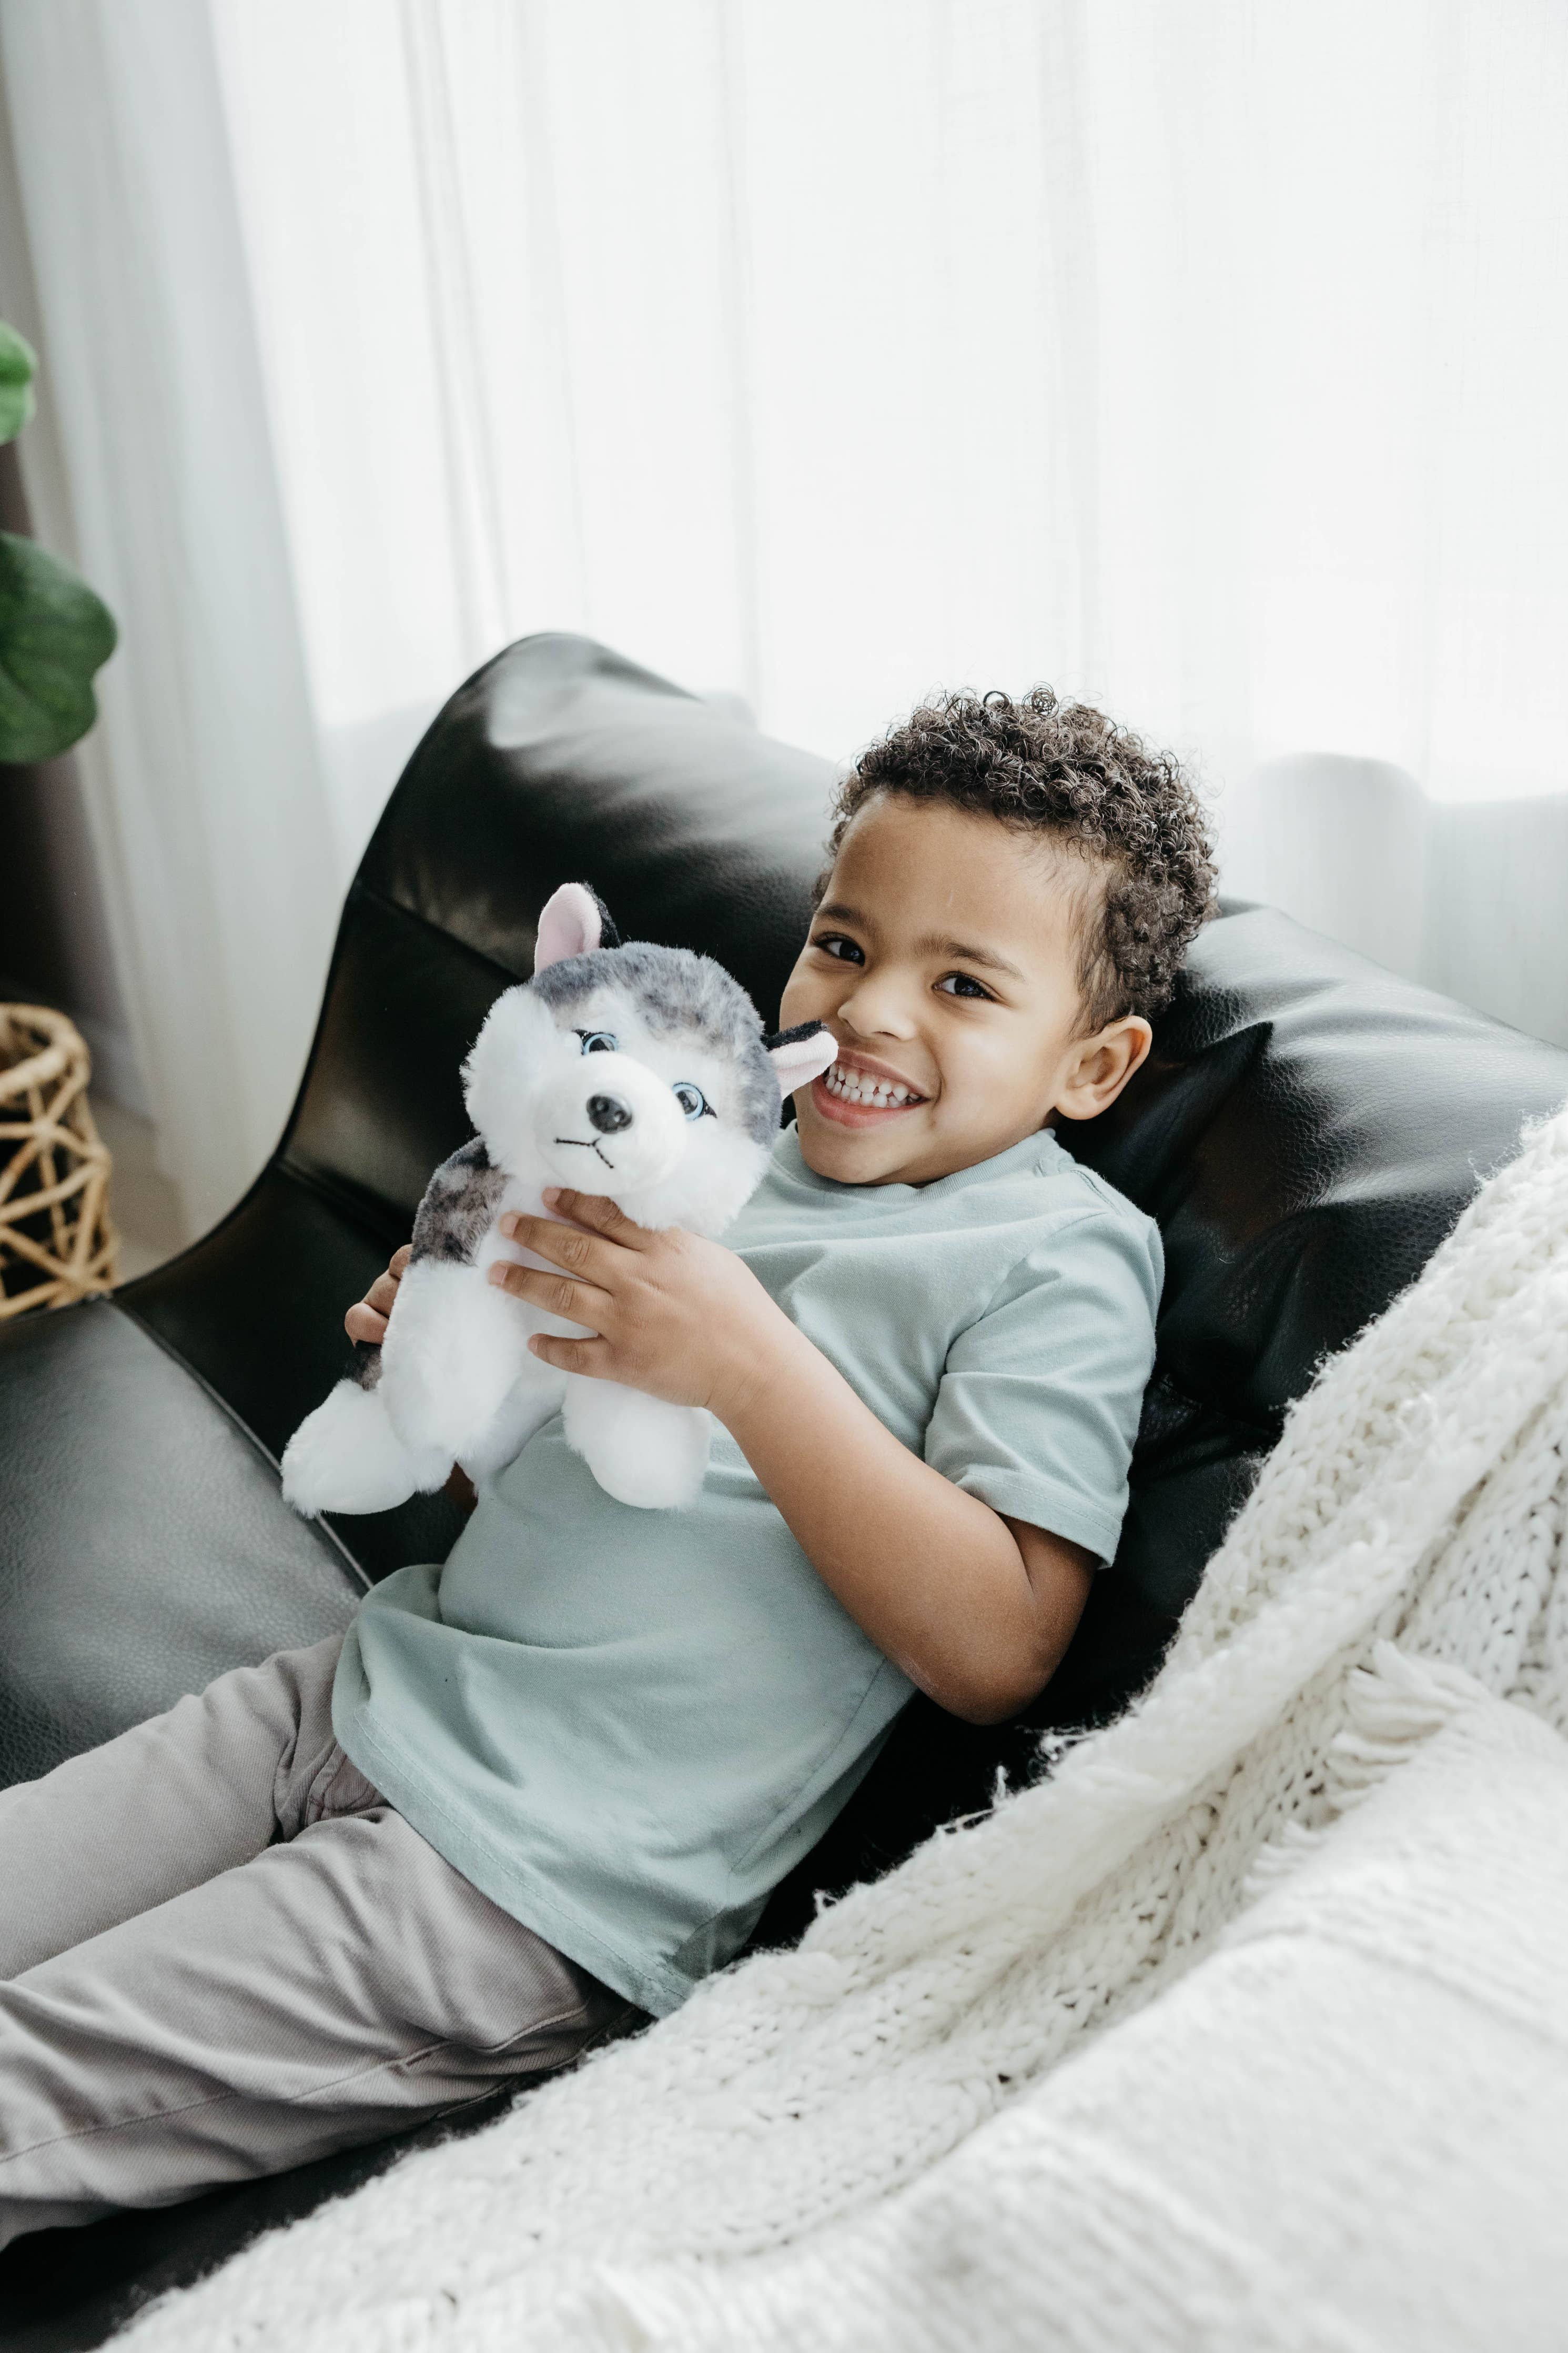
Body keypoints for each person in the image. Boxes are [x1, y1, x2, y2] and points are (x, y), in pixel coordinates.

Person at [0, 687, 1215, 2248]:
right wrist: (436, 1378)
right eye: (844, 944)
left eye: (965, 983)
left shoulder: (1058, 1256)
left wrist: (751, 1363)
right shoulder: (703, 1141)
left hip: (523, 1883)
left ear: (1094, 1065)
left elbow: (1000, 1644)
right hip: (354, 1690)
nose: (868, 1011)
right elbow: (544, 1497)